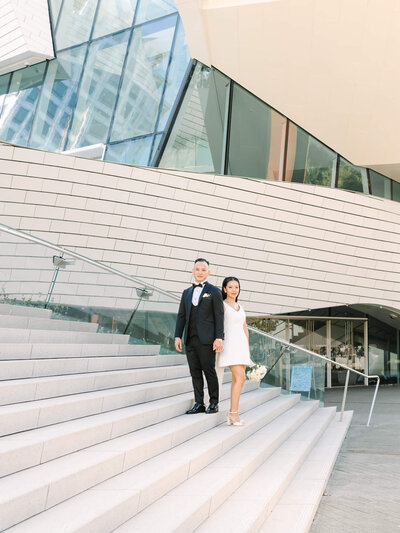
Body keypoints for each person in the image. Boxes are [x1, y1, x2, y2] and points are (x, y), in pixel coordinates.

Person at [175, 258, 224, 414]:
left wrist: (219, 338)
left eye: (203, 270)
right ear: (193, 271)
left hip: (207, 339)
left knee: (209, 370)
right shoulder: (186, 292)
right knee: (194, 372)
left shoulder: (214, 291)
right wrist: (177, 336)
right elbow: (181, 315)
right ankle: (199, 403)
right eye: (197, 269)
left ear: (208, 272)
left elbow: (219, 316)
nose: (200, 272)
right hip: (190, 338)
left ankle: (214, 403)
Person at [216, 276, 253, 426]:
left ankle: (233, 412)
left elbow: (245, 329)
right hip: (229, 345)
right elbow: (218, 325)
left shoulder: (240, 306)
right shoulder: (222, 305)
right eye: (230, 287)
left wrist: (248, 348)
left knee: (238, 380)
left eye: (236, 287)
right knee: (241, 378)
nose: (234, 290)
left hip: (242, 345)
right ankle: (233, 413)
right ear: (224, 289)